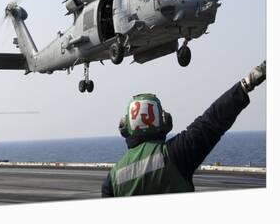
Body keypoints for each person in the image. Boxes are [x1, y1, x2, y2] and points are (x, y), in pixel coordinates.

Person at [101, 61, 266, 197]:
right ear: (164, 122)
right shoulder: (177, 153)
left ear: (125, 128)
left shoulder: (113, 179)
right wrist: (248, 83)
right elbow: (213, 120)